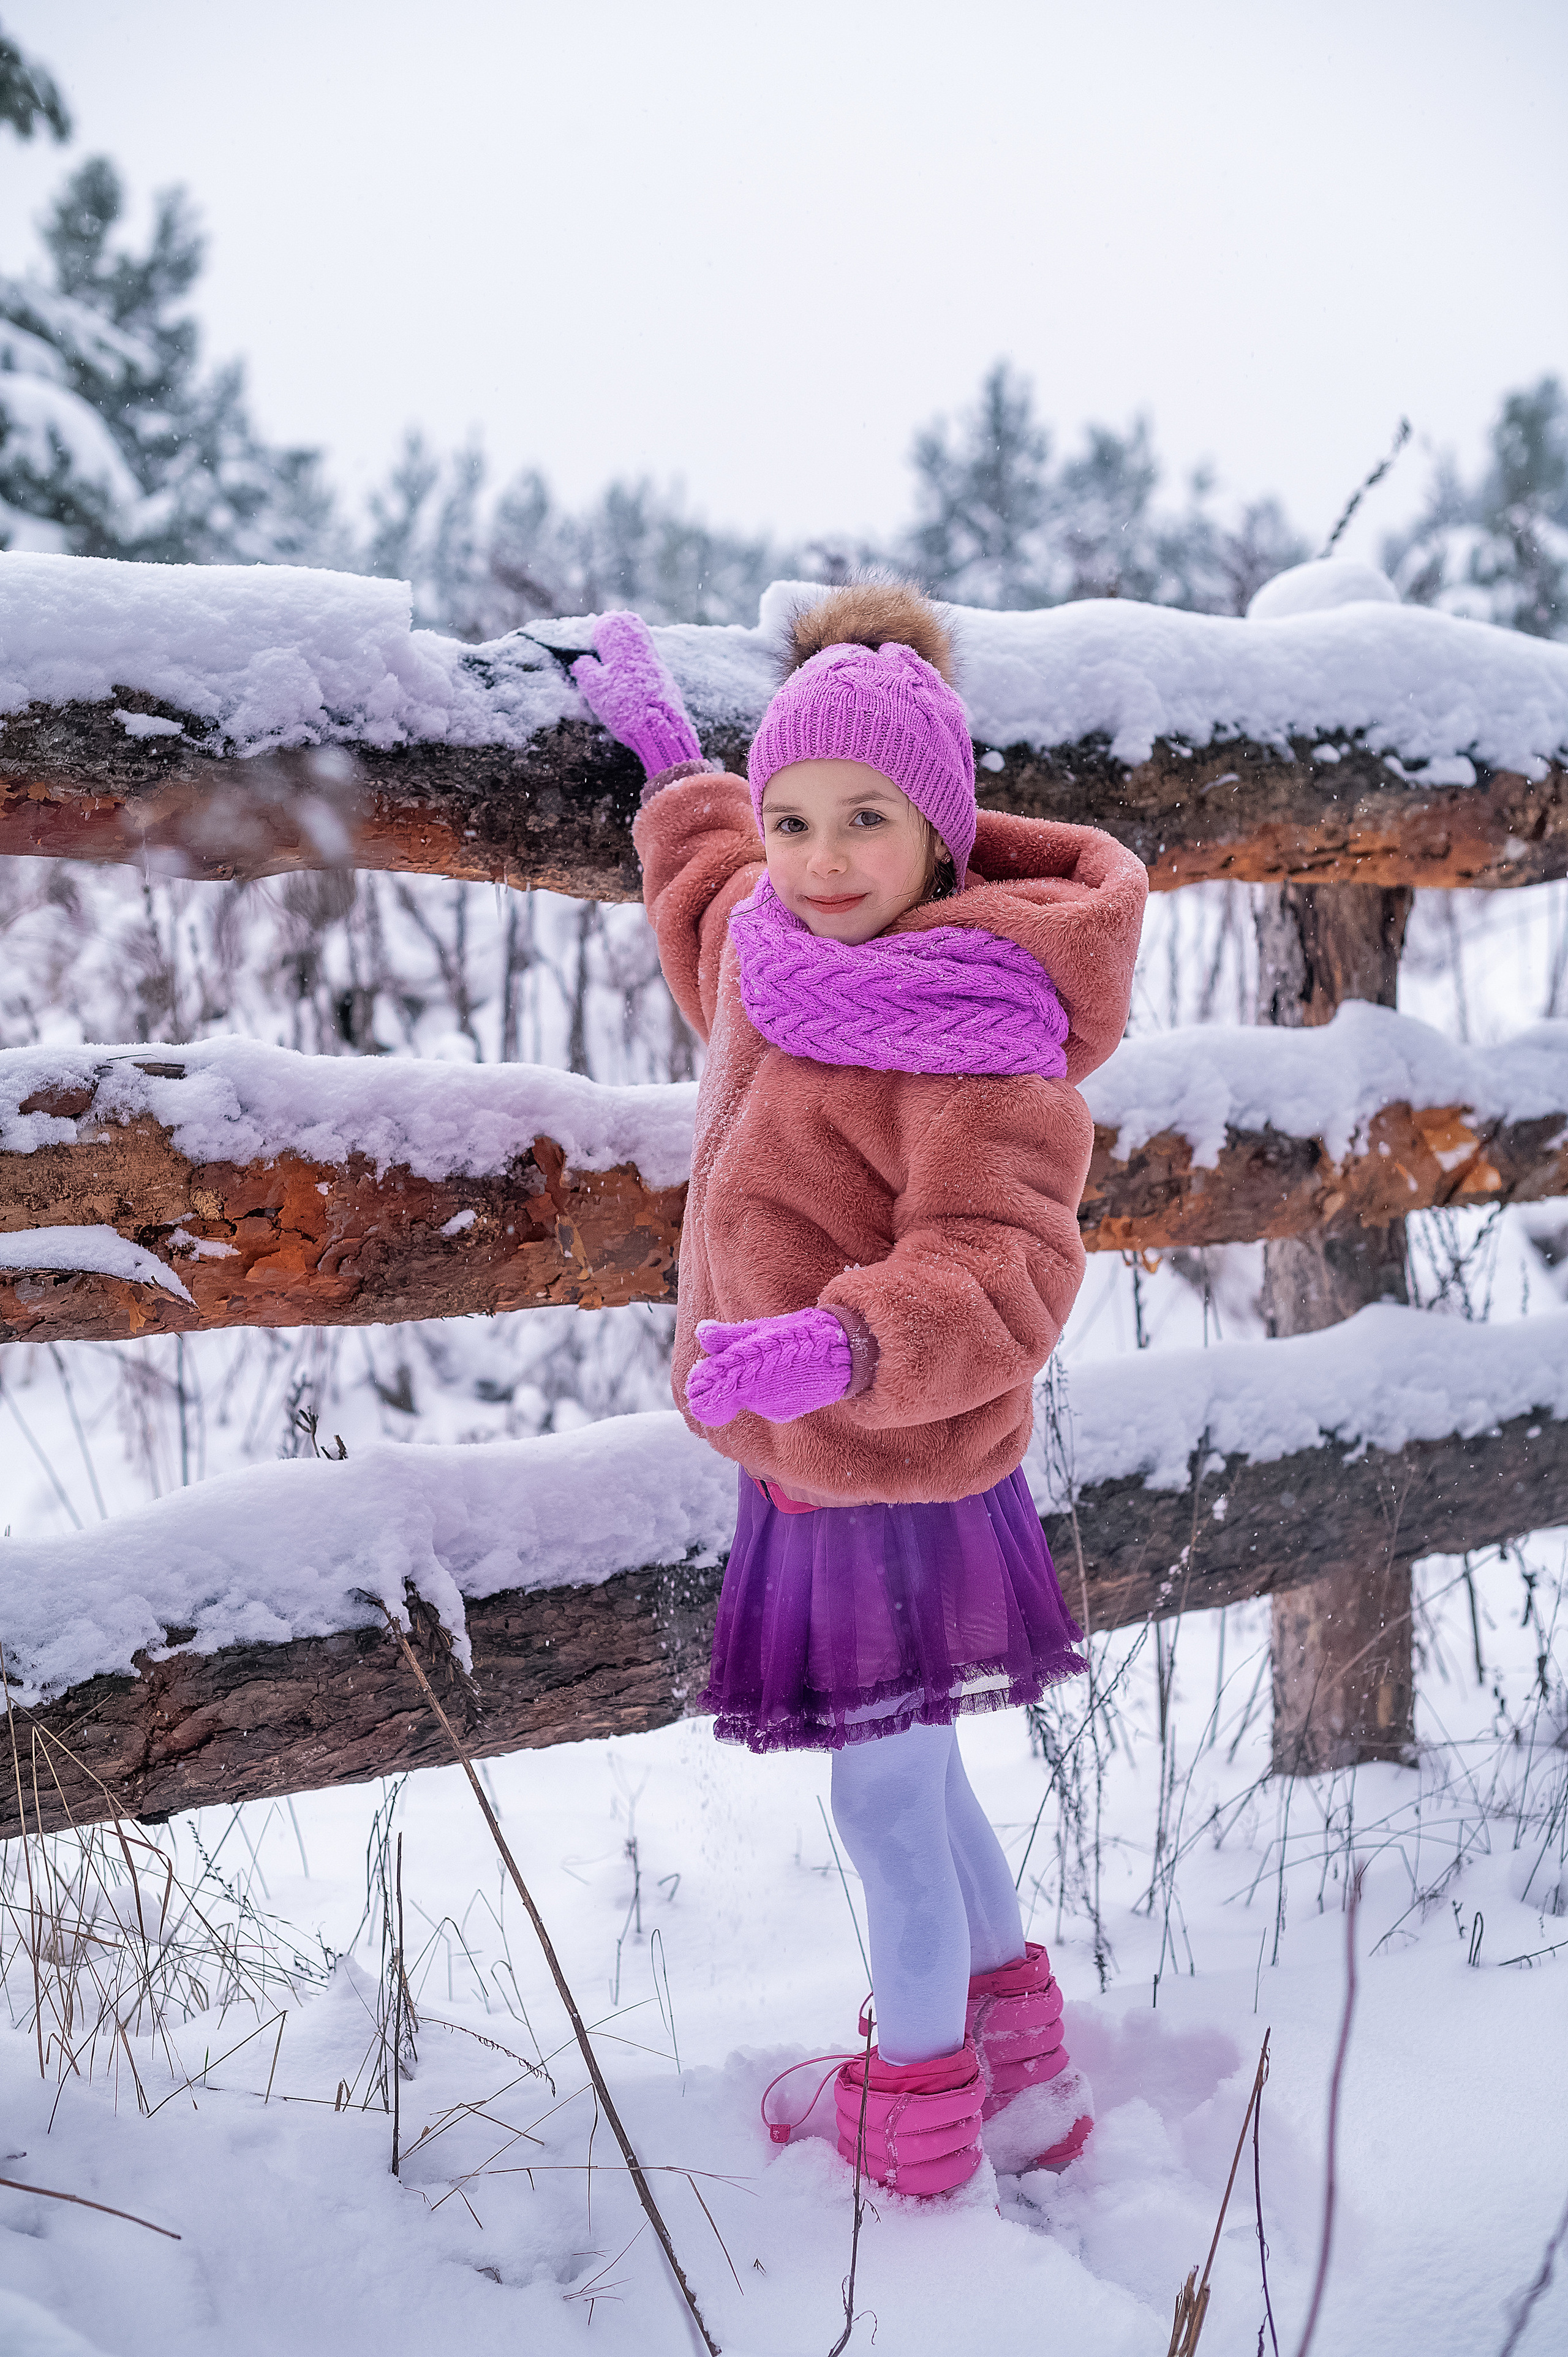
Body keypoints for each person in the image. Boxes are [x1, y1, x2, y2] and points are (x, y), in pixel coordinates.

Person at [573, 580, 1147, 2198]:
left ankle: (913, 2117)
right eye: (795, 819)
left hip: (894, 1471)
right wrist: (673, 765)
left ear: (942, 838)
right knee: (926, 1772)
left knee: (883, 1805)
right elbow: (709, 899)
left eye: (867, 821)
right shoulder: (779, 948)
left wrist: (847, 1342)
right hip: (813, 1461)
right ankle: (1019, 2066)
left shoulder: (978, 1029)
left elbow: (1005, 1267)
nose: (821, 860)